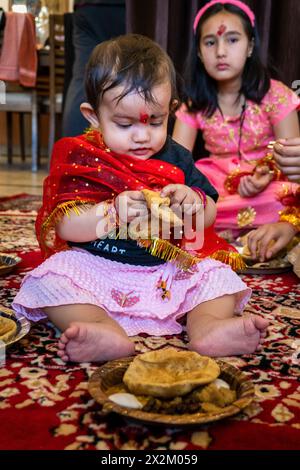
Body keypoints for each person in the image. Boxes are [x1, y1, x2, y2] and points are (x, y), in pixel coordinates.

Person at [13, 34, 269, 362]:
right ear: (93, 116)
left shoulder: (176, 157)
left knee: (217, 275)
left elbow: (209, 215)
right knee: (49, 277)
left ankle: (209, 326)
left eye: (156, 121)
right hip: (97, 270)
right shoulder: (85, 157)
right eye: (123, 123)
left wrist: (193, 202)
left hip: (169, 270)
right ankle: (99, 328)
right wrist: (110, 212)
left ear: (170, 111)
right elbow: (67, 227)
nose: (142, 135)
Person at [173, 0, 300, 234]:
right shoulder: (194, 104)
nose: (221, 52)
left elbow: (292, 161)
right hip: (216, 185)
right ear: (200, 52)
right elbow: (175, 164)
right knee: (193, 196)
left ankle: (219, 227)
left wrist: (266, 174)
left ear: (250, 46)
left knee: (285, 195)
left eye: (232, 40)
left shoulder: (276, 95)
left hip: (265, 185)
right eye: (210, 43)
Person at [62, 0, 126, 137]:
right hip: (139, 8)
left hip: (89, 7)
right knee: (145, 78)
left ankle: (74, 153)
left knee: (85, 79)